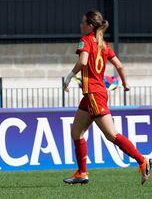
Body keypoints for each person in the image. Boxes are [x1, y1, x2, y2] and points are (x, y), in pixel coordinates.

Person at [63, 10, 152, 185]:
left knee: (111, 134)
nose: (80, 25)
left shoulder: (86, 40)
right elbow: (119, 65)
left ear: (90, 26)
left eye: (83, 23)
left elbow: (82, 61)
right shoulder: (103, 44)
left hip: (94, 94)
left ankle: (142, 160)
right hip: (92, 94)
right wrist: (125, 84)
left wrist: (68, 76)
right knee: (76, 132)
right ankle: (82, 173)